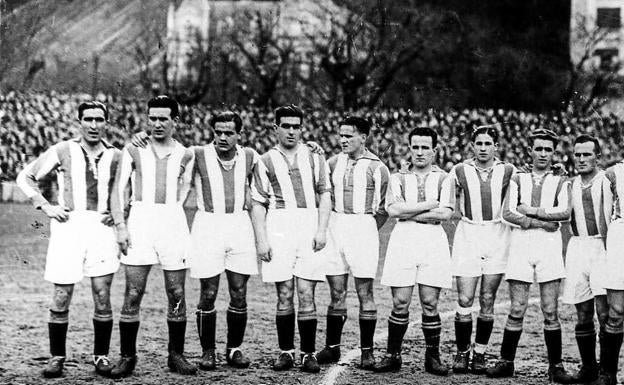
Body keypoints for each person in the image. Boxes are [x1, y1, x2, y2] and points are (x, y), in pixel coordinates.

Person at [16, 101, 121, 378]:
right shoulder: (63, 150)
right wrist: (47, 206)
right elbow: (25, 177)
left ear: (106, 122)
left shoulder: (117, 156)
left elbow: (130, 189)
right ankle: (57, 357)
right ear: (79, 121)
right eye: (88, 119)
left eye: (99, 119)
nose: (94, 125)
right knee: (62, 294)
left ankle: (101, 356)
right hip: (69, 226)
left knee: (102, 294)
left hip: (101, 227)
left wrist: (121, 213)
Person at [110, 95, 197, 378]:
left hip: (172, 221)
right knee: (133, 292)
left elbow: (185, 191)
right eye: (153, 118)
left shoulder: (186, 154)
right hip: (140, 221)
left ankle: (176, 355)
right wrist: (121, 226)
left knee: (176, 292)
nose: (157, 124)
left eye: (164, 118)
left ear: (175, 120)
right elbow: (118, 190)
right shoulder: (133, 150)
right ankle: (127, 357)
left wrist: (171, 214)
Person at [487, 128, 574, 383]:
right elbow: (508, 213)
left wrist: (531, 210)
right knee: (517, 307)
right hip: (522, 245)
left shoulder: (561, 181)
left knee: (550, 309)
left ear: (554, 152)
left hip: (549, 247)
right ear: (530, 151)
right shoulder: (518, 178)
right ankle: (506, 361)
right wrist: (540, 222)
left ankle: (556, 366)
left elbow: (565, 213)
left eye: (548, 149)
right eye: (539, 148)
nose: (543, 154)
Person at [250, 104, 332, 373]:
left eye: (296, 126)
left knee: (306, 292)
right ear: (276, 128)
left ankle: (308, 353)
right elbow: (259, 204)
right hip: (279, 226)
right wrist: (262, 239)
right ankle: (286, 352)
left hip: (308, 226)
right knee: (284, 293)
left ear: (302, 128)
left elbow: (324, 194)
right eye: (286, 126)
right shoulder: (264, 161)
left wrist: (321, 230)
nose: (291, 131)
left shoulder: (314, 157)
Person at [373, 127, 454, 375]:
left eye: (425, 147)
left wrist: (412, 210)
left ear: (434, 150)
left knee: (430, 303)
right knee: (400, 302)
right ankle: (393, 355)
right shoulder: (398, 178)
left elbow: (446, 213)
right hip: (403, 239)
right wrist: (429, 205)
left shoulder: (444, 178)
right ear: (409, 148)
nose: (419, 152)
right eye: (415, 147)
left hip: (432, 240)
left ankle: (433, 358)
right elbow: (394, 211)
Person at [316, 116, 389, 370]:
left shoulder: (377, 167)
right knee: (336, 291)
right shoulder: (333, 162)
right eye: (341, 135)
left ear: (363, 138)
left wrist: (365, 230)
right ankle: (332, 348)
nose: (343, 139)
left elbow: (383, 209)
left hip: (363, 227)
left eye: (349, 135)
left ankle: (367, 351)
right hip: (336, 226)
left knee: (364, 292)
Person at [188, 111, 260, 370]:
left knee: (239, 291)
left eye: (229, 132)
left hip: (239, 224)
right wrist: (142, 137)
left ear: (239, 135)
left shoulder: (250, 156)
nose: (222, 137)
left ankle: (234, 349)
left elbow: (272, 175)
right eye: (218, 132)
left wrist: (312, 147)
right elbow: (169, 154)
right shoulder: (197, 154)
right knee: (208, 292)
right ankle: (208, 351)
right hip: (208, 223)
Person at [446, 125, 516, 374]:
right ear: (472, 146)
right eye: (479, 143)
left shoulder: (508, 170)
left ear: (496, 146)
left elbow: (524, 188)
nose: (483, 148)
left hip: (498, 234)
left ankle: (480, 354)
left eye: (488, 144)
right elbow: (442, 190)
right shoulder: (459, 170)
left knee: (488, 299)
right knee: (465, 298)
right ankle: (462, 353)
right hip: (469, 233)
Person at [562, 134, 611, 383]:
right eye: (577, 154)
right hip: (578, 247)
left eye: (586, 154)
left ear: (598, 157)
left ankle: (607, 371)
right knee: (582, 312)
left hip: (602, 248)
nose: (581, 159)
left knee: (604, 312)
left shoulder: (607, 181)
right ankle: (588, 367)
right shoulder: (569, 184)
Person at [598, 151, 624, 385]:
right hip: (619, 238)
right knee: (615, 311)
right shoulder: (613, 173)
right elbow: (606, 217)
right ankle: (608, 374)